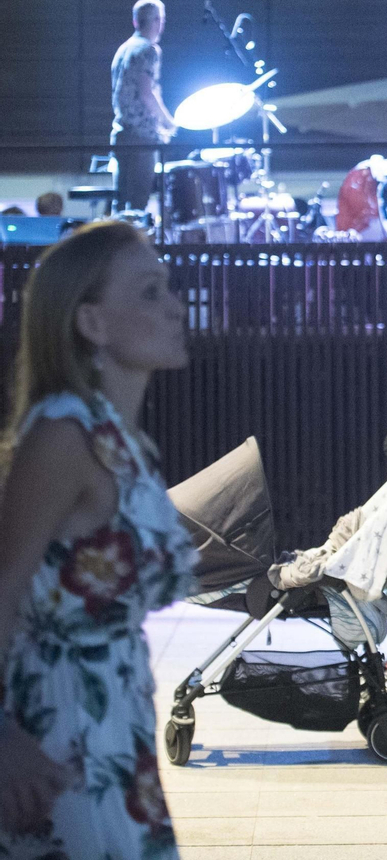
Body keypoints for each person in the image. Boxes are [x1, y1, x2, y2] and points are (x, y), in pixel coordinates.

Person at [0, 220, 195, 857]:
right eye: (148, 292)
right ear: (91, 323)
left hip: (113, 723)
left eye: (167, 286)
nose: (175, 304)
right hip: (58, 732)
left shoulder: (118, 438)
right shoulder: (64, 434)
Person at [109, 0, 178, 215]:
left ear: (135, 21)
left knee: (120, 202)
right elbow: (147, 93)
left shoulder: (124, 49)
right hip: (141, 138)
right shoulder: (149, 50)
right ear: (157, 20)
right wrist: (167, 122)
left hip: (121, 133)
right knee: (138, 205)